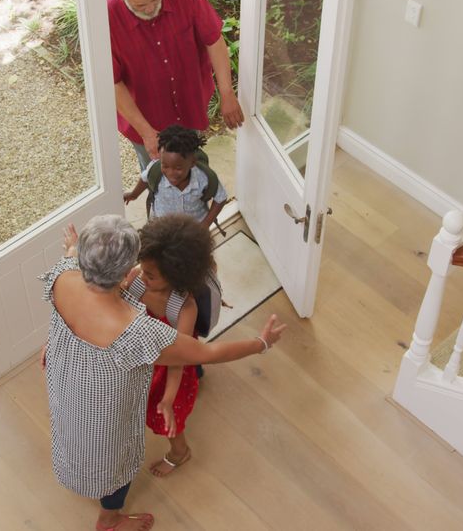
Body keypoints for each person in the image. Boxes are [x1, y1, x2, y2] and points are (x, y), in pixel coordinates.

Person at [39, 214, 286, 531]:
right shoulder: (136, 331)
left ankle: (98, 496)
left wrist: (74, 249)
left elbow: (72, 265)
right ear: (124, 274)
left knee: (76, 435)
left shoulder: (65, 274)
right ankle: (109, 519)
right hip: (104, 405)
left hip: (66, 380)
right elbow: (207, 352)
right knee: (111, 455)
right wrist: (260, 343)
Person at [108, 0, 245, 172]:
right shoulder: (106, 17)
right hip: (145, 119)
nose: (151, 8)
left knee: (194, 166)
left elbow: (214, 40)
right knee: (159, 181)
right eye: (140, 6)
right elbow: (113, 83)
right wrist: (146, 132)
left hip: (190, 108)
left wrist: (227, 93)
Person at [125, 214, 213, 476]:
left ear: (176, 275)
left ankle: (179, 452)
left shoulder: (184, 307)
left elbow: (178, 358)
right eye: (141, 266)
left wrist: (168, 397)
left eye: (150, 274)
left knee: (167, 415)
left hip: (170, 365)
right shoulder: (138, 278)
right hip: (143, 357)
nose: (142, 274)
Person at [123, 125, 228, 229]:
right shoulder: (155, 170)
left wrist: (205, 224)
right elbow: (145, 179)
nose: (171, 173)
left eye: (178, 168)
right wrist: (134, 195)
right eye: (165, 166)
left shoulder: (203, 177)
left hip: (194, 229)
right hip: (162, 226)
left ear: (192, 163)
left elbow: (221, 198)